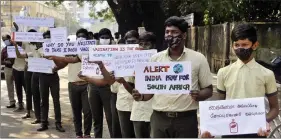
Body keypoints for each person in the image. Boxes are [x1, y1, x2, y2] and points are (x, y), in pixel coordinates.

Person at [132, 16, 213, 138]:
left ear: (184, 35)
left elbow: (209, 89)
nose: (170, 35)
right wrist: (141, 96)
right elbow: (151, 91)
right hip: (159, 119)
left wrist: (199, 95)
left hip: (186, 120)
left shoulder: (198, 58)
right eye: (167, 32)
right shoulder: (155, 59)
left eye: (175, 32)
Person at [201, 24, 279, 138]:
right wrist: (211, 128)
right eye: (237, 45)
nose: (240, 48)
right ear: (232, 46)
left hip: (256, 132)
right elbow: (220, 108)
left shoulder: (267, 74)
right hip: (230, 131)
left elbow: (275, 108)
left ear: (255, 45)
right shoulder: (223, 72)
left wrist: (263, 121)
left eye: (245, 44)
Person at [45, 28, 92, 137]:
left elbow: (74, 60)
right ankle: (78, 134)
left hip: (87, 85)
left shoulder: (89, 50)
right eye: (79, 36)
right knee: (76, 112)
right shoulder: (70, 49)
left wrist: (55, 57)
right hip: (73, 85)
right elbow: (64, 63)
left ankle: (87, 134)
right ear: (76, 38)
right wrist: (55, 65)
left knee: (88, 112)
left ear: (87, 38)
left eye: (83, 36)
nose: (81, 38)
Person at [87, 28, 114, 138]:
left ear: (110, 39)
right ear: (98, 38)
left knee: (110, 117)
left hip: (108, 87)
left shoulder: (115, 51)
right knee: (96, 118)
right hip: (93, 87)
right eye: (102, 38)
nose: (104, 40)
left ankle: (113, 136)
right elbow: (86, 64)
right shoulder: (92, 50)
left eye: (107, 38)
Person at [37, 30, 65, 132]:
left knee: (56, 100)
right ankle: (44, 122)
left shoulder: (57, 50)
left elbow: (62, 62)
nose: (47, 39)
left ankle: (58, 123)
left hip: (53, 76)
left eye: (49, 37)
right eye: (45, 37)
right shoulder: (39, 49)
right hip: (43, 76)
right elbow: (35, 61)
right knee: (43, 101)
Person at [15, 29, 37, 119]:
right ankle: (28, 111)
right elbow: (19, 53)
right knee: (28, 90)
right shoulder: (25, 43)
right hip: (28, 67)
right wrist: (17, 31)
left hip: (37, 67)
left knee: (36, 91)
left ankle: (38, 112)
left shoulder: (39, 44)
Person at [1, 34, 16, 108]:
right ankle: (12, 102)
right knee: (9, 86)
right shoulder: (3, 50)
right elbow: (1, 61)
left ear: (10, 39)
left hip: (16, 68)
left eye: (6, 39)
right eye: (3, 40)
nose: (5, 41)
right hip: (7, 69)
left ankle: (21, 103)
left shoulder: (15, 48)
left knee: (19, 86)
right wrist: (6, 62)